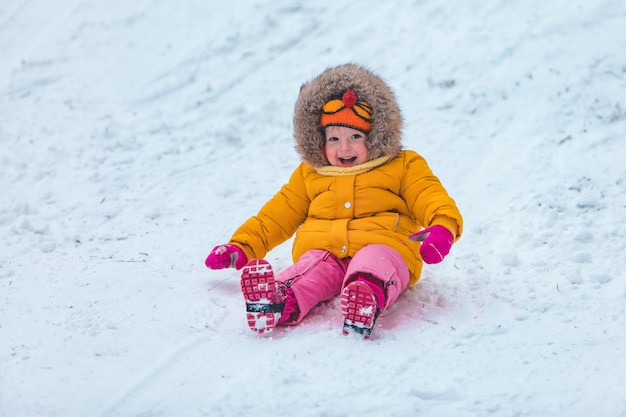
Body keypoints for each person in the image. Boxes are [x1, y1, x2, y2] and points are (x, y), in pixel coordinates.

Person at [205, 63, 463, 337]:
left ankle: (365, 299)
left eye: (356, 136)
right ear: (320, 141)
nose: (345, 147)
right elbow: (277, 214)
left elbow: (429, 194)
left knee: (373, 263)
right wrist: (242, 244)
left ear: (375, 136)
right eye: (335, 138)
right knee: (310, 270)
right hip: (326, 250)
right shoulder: (309, 174)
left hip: (385, 244)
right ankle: (276, 300)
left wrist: (443, 227)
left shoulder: (402, 165)